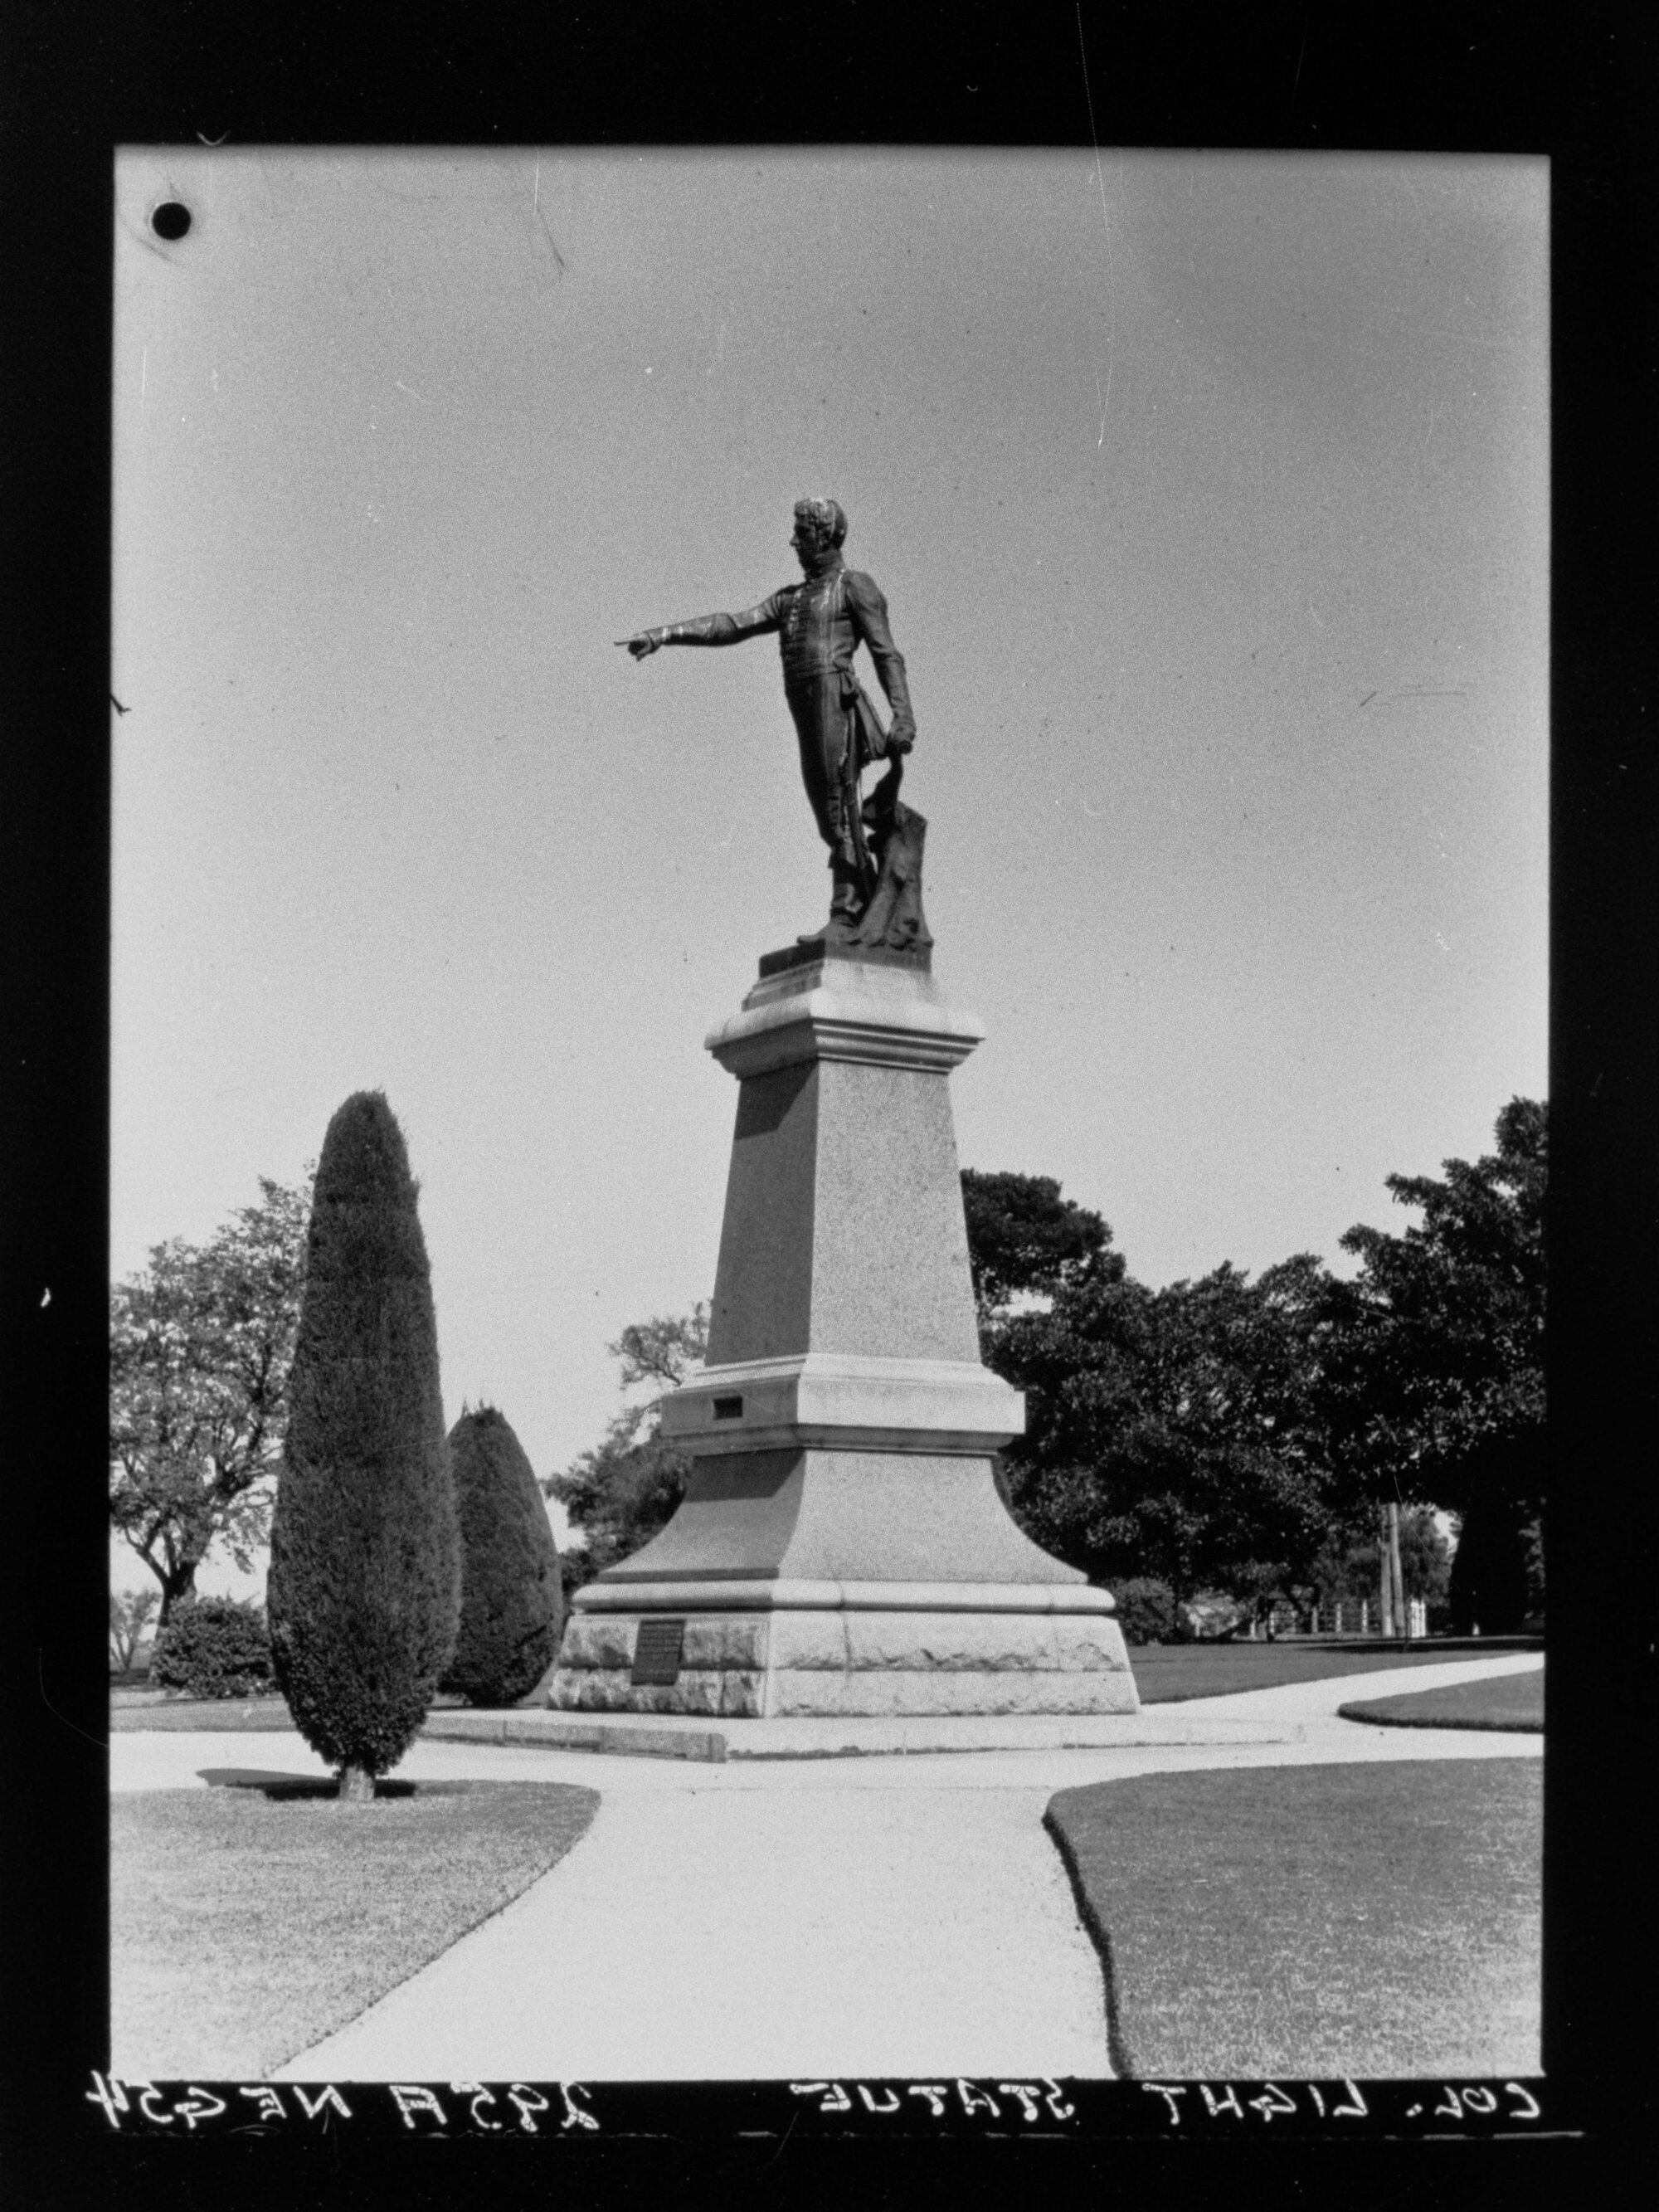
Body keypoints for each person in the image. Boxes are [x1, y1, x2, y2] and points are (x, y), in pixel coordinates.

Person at [618, 498, 917, 941]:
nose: (794, 542)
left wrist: (903, 716)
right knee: (827, 813)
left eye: (803, 533)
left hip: (835, 700)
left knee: (837, 807)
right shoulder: (790, 599)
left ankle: (848, 911)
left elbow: (885, 652)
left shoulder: (855, 586)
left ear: (826, 536)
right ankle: (866, 901)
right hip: (805, 707)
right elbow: (732, 625)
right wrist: (666, 634)